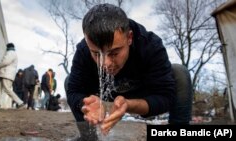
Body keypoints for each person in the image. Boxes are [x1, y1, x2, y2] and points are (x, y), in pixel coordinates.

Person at [66, 3, 192, 140]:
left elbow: (165, 97)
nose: (105, 64)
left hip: (140, 91)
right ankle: (88, 137)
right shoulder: (83, 50)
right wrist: (85, 104)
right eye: (97, 54)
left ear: (129, 38)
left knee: (180, 73)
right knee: (69, 81)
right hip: (103, 92)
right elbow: (74, 90)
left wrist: (129, 105)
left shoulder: (150, 45)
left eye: (114, 53)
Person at [0, 43, 26, 109]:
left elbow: (5, 62)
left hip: (6, 74)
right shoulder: (13, 53)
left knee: (7, 89)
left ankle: (20, 103)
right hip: (5, 74)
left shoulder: (10, 52)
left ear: (8, 47)